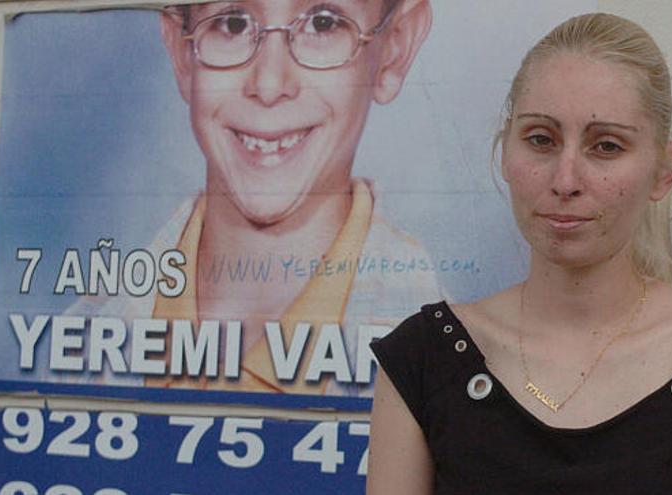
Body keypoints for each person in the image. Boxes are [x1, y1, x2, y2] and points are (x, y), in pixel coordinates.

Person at [367, 13, 672, 494]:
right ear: (504, 153)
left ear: (664, 171)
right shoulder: (422, 358)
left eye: (606, 146)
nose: (565, 180)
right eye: (541, 139)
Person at [66, 0, 440, 396]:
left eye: (324, 22)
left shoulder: (444, 363)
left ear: (394, 49)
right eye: (231, 23)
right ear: (180, 51)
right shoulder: (77, 341)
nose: (268, 85)